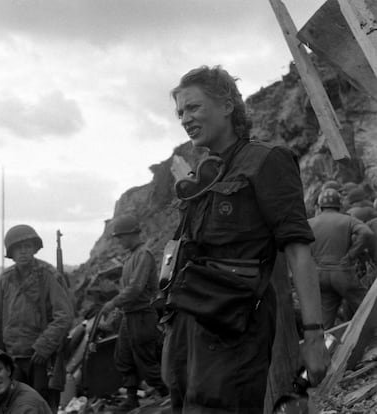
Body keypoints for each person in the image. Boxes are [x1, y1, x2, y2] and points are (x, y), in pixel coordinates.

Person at [161, 65, 329, 414]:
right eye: (180, 112)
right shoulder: (208, 173)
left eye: (193, 107)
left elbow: (298, 250)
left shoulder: (267, 160)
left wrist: (313, 336)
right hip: (189, 324)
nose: (185, 118)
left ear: (226, 105)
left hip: (234, 327)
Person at [0, 224, 74, 413]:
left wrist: (44, 346)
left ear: (35, 248)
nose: (24, 251)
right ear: (11, 252)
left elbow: (64, 315)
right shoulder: (5, 279)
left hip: (40, 359)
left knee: (41, 405)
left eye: (28, 246)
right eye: (18, 248)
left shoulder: (48, 275)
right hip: (12, 358)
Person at [100, 214, 168, 411]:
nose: (119, 241)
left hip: (143, 315)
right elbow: (127, 290)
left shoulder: (143, 255)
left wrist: (112, 303)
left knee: (147, 361)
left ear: (131, 234)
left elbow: (136, 288)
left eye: (120, 237)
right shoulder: (131, 257)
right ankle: (131, 398)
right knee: (123, 357)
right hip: (129, 316)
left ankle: (169, 394)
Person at [308, 189, 373, 329]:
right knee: (368, 308)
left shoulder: (310, 223)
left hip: (319, 275)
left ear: (320, 206)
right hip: (342, 272)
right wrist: (351, 254)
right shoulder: (347, 219)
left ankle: (327, 348)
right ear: (339, 205)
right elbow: (367, 232)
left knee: (325, 323)